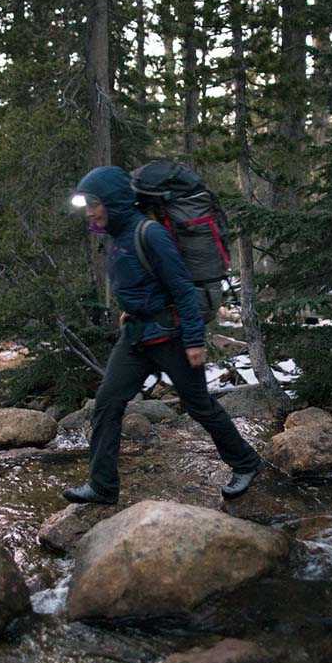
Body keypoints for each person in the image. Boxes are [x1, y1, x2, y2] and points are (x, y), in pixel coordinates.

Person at [62, 165, 263, 505]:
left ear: (111, 200)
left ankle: (246, 462)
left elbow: (183, 288)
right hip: (137, 336)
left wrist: (195, 341)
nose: (91, 212)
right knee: (108, 404)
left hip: (171, 335)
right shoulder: (113, 234)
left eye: (95, 204)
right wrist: (131, 307)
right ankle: (102, 486)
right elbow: (135, 279)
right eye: (88, 205)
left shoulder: (150, 233)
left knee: (199, 405)